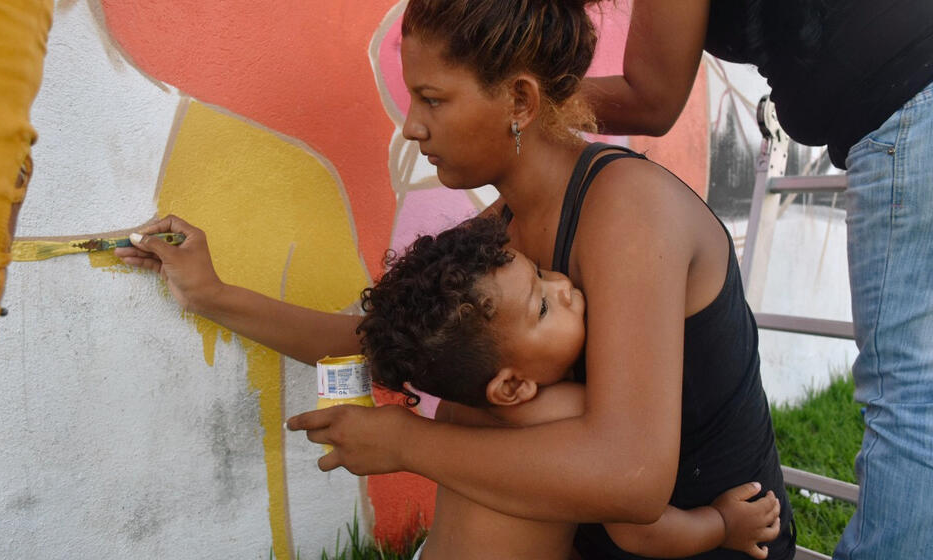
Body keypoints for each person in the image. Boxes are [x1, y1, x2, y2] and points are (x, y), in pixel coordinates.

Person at [116, 1, 796, 557]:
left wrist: (409, 444)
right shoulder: (502, 229)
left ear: (520, 100)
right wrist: (212, 293)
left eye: (432, 99)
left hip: (717, 538)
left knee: (502, 414)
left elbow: (633, 479)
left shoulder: (626, 212)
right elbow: (386, 338)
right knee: (479, 384)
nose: (411, 126)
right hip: (599, 535)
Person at [576, 2, 933, 558]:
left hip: (909, 100)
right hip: (910, 98)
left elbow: (652, 94)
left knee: (909, 394)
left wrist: (518, 96)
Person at [357, 215, 781, 560]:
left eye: (540, 273)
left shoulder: (452, 409)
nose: (563, 286)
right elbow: (640, 535)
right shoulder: (573, 410)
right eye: (541, 306)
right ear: (512, 386)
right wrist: (723, 525)